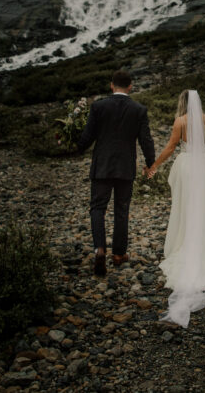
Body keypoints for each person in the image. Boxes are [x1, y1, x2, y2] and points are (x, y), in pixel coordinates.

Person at [145, 89, 205, 327]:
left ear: (182, 102)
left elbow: (171, 148)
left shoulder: (180, 121)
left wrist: (153, 166)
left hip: (187, 167)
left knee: (187, 205)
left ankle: (188, 238)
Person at [77, 69, 156, 277]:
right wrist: (150, 163)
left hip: (102, 166)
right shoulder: (139, 109)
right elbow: (146, 140)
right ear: (130, 86)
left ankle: (99, 249)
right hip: (125, 168)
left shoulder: (98, 106)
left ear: (112, 86)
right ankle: (119, 254)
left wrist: (71, 146)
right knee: (121, 209)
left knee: (97, 208)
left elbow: (87, 136)